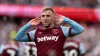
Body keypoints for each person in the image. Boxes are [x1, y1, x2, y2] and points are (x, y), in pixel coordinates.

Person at [14, 7, 84, 56]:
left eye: (48, 16)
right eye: (43, 16)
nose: (45, 18)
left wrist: (66, 19)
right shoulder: (36, 32)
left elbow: (80, 29)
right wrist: (28, 24)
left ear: (53, 17)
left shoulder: (61, 30)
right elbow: (17, 38)